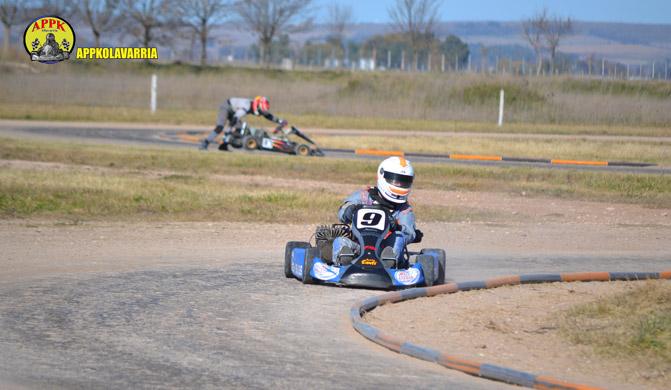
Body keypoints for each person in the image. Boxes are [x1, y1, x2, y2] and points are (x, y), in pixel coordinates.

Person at [333, 156, 416, 267]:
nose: (399, 185)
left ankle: (389, 263)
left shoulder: (404, 209)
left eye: (404, 181)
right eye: (395, 180)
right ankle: (343, 261)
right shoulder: (364, 196)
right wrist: (349, 210)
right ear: (381, 175)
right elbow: (342, 212)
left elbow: (409, 234)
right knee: (340, 241)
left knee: (399, 238)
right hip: (359, 245)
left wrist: (395, 226)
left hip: (385, 247)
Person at [199, 96, 288, 150]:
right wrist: (228, 131)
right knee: (220, 127)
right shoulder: (247, 106)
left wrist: (280, 121)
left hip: (235, 111)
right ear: (257, 105)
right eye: (261, 110)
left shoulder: (257, 106)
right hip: (226, 107)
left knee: (239, 130)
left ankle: (223, 146)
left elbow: (268, 116)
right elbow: (235, 118)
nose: (261, 112)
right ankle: (205, 144)